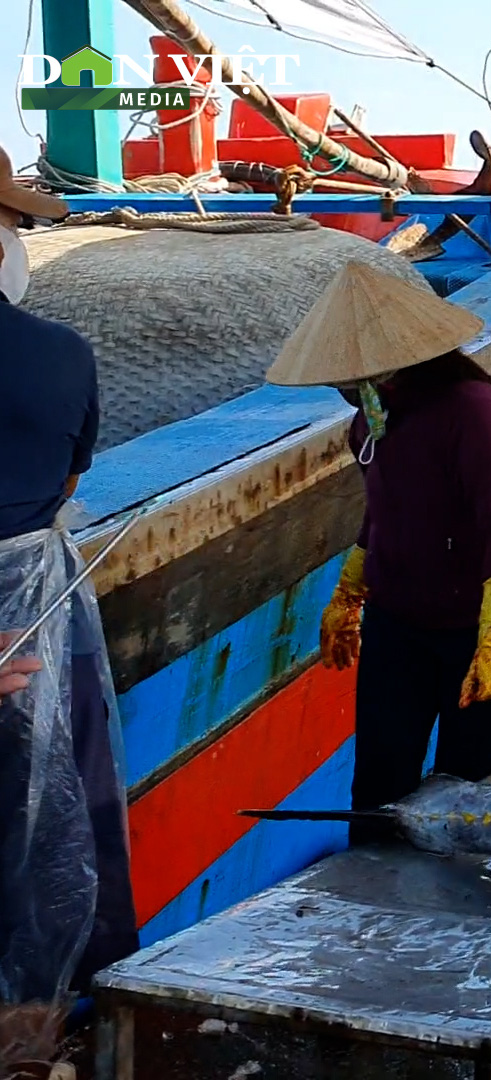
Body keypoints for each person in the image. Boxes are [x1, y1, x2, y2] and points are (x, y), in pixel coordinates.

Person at [265, 262, 491, 843]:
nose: (341, 385)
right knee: (377, 789)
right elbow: (383, 511)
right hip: (400, 624)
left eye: (348, 372)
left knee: (465, 791)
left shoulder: (474, 410)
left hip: (480, 624)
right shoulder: (369, 420)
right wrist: (349, 594)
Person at [0, 147, 138, 1007]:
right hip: (37, 616)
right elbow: (70, 483)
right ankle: (40, 1030)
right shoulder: (60, 354)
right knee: (50, 829)